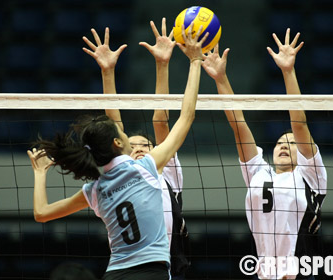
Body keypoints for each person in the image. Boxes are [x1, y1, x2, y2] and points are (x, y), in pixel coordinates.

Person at [28, 22, 208, 280]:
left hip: (114, 274)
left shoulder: (94, 190)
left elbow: (42, 213)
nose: (135, 145)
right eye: (126, 138)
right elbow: (187, 115)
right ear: (118, 144)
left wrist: (39, 173)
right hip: (151, 272)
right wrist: (194, 61)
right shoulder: (146, 168)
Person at [202, 29, 327, 279]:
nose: (283, 145)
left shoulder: (311, 176)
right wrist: (220, 78)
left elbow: (299, 124)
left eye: (291, 143)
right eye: (280, 142)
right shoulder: (257, 173)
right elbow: (238, 124)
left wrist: (288, 71)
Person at [82, 18, 190, 279]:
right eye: (135, 146)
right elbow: (112, 123)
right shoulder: (129, 172)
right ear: (121, 149)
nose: (140, 149)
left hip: (170, 264)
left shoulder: (163, 171)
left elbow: (160, 119)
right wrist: (107, 72)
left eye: (147, 145)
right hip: (134, 266)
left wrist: (162, 64)